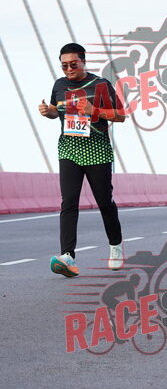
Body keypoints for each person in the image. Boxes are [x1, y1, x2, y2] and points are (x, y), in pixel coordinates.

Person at [38, 42, 126, 277]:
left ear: (83, 61)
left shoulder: (101, 85)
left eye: (73, 64)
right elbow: (57, 110)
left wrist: (93, 111)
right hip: (69, 151)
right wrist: (49, 112)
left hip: (97, 151)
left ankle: (115, 245)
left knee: (104, 202)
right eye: (64, 65)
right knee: (69, 202)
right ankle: (68, 256)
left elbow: (120, 115)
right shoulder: (59, 85)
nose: (68, 69)